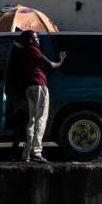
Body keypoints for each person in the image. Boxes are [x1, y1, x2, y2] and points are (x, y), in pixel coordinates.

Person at [17, 30, 66, 163]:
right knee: (40, 119)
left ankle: (26, 153)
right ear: (31, 40)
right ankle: (36, 153)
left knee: (32, 120)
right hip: (39, 86)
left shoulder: (23, 52)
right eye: (36, 37)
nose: (38, 40)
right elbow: (50, 64)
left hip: (29, 87)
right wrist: (61, 61)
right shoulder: (34, 50)